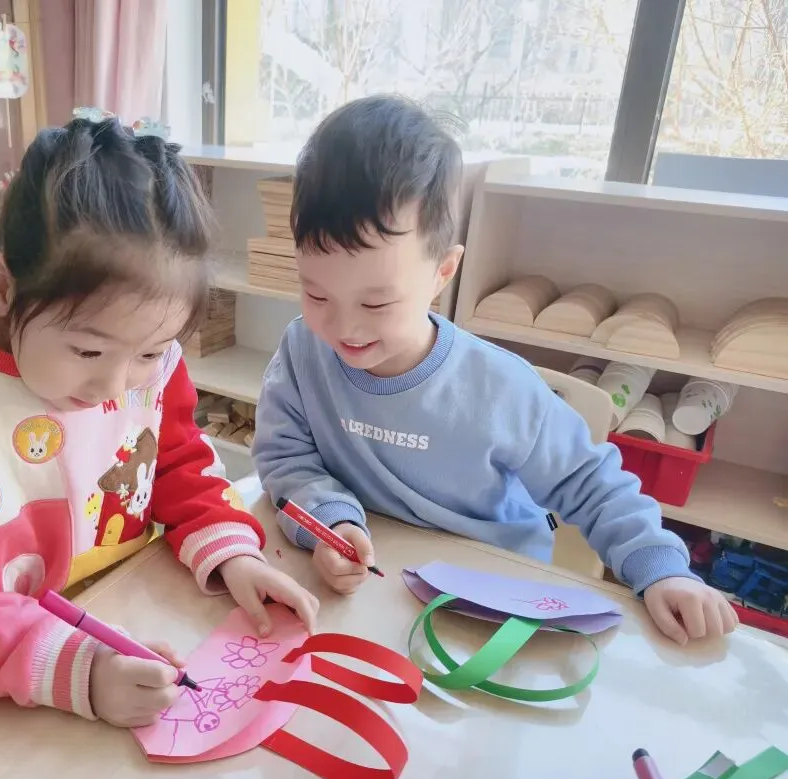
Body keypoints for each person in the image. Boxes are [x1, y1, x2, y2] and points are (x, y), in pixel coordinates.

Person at [0, 112, 318, 730]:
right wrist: (78, 672)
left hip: (132, 626)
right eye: (88, 352)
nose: (115, 387)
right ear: (2, 287)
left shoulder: (145, 360)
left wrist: (232, 555)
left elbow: (176, 462)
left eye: (150, 352)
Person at [252, 95, 736, 646]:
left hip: (489, 604)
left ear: (443, 271)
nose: (344, 327)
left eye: (376, 303)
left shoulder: (501, 388)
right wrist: (331, 523)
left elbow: (590, 484)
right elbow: (285, 458)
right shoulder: (302, 352)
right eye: (316, 295)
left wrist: (662, 568)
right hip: (372, 595)